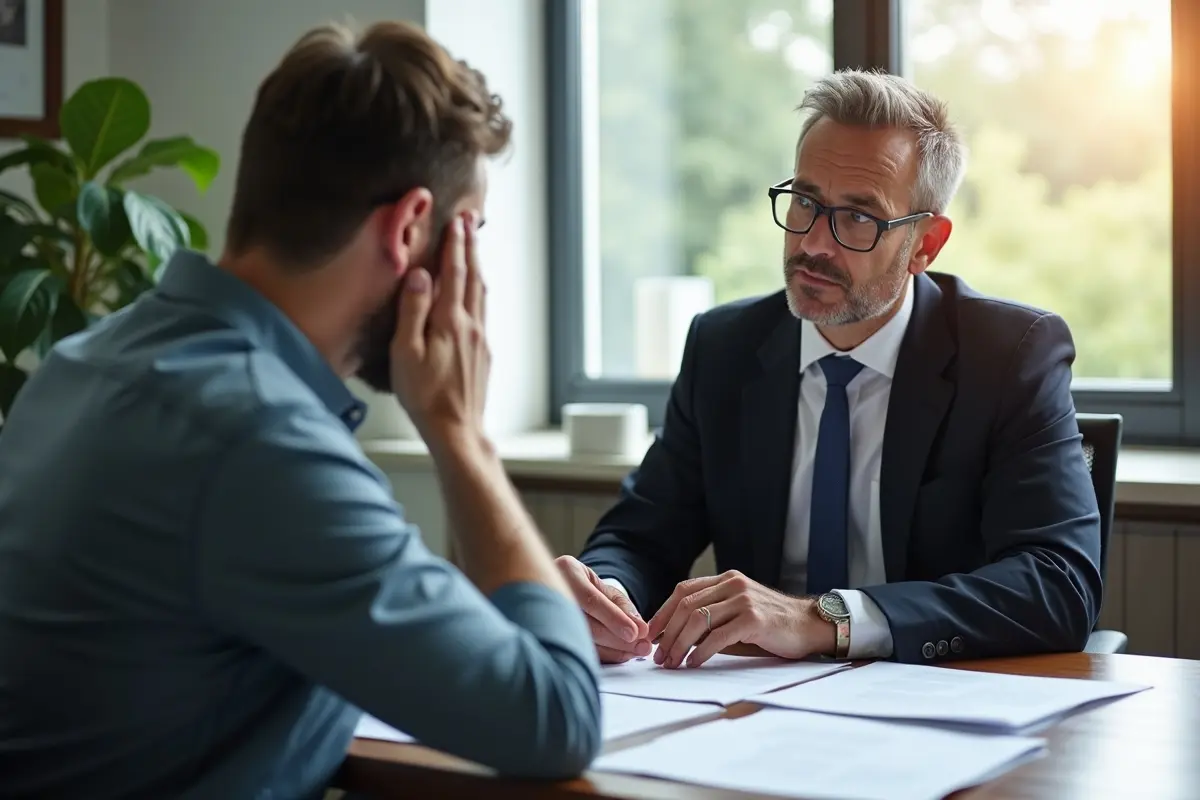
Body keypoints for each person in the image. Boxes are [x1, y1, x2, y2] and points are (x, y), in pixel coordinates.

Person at [0, 21, 601, 799]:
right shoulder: (258, 440)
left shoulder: (80, 366)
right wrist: (462, 435)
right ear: (410, 228)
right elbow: (557, 718)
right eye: (470, 235)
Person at [557, 68, 1103, 670]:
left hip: (930, 701)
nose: (815, 244)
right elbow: (640, 535)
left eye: (859, 218)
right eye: (806, 202)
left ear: (925, 245)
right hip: (752, 707)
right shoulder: (724, 348)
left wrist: (823, 621)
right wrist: (609, 594)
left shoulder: (1009, 355)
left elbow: (1059, 586)